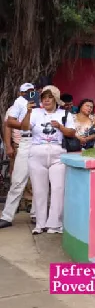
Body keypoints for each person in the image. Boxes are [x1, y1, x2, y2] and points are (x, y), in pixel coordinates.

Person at [24, 85, 75, 234]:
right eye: (43, 97)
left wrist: (60, 126)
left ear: (56, 100)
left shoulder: (64, 114)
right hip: (37, 152)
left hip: (57, 152)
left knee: (58, 189)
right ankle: (40, 224)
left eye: (49, 97)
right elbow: (25, 127)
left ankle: (55, 224)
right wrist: (28, 112)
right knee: (39, 190)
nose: (46, 100)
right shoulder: (35, 112)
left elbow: (72, 133)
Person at [0, 83, 37, 229]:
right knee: (17, 181)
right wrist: (9, 145)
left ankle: (36, 214)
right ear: (20, 93)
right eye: (26, 92)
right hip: (25, 141)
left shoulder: (43, 103)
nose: (29, 94)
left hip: (40, 142)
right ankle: (7, 216)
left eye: (31, 91)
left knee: (38, 183)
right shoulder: (18, 103)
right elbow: (9, 123)